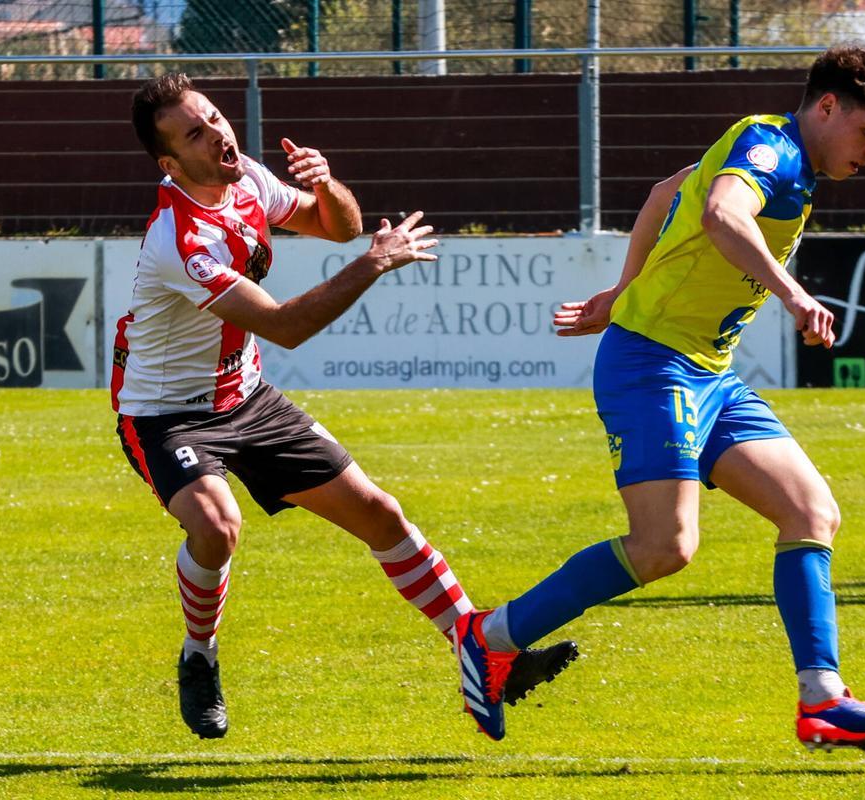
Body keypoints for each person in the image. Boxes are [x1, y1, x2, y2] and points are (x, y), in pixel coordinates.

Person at [450, 46, 865, 751]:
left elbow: (662, 195)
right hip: (652, 366)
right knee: (665, 545)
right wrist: (794, 295)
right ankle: (486, 636)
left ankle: (822, 700)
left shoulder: (778, 157)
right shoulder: (767, 145)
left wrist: (619, 290)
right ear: (828, 106)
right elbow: (719, 216)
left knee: (810, 510)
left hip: (709, 374)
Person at [115, 73, 575, 739]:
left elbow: (338, 226)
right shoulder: (180, 241)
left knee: (382, 514)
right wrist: (374, 262)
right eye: (194, 131)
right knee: (217, 527)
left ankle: (481, 651)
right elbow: (285, 325)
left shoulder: (244, 178)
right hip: (166, 413)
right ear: (169, 163)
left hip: (244, 394)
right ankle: (199, 655)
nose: (217, 130)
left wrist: (325, 185)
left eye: (213, 116)